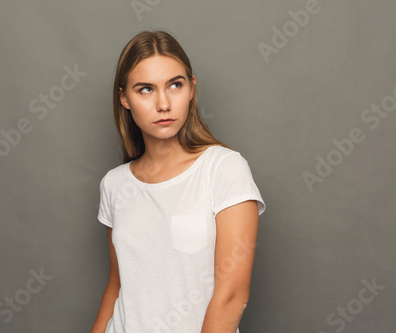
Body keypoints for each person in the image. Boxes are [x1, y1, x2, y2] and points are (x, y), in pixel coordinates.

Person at [91, 30, 266, 333]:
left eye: (174, 85)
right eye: (145, 89)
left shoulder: (223, 169)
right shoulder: (114, 185)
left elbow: (232, 296)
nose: (163, 103)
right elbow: (118, 285)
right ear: (125, 98)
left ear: (191, 89)